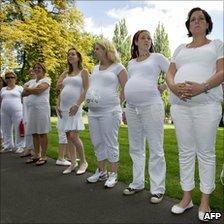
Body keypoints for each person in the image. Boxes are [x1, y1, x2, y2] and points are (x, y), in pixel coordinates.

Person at [166, 7, 223, 221]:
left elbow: (222, 71)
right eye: (192, 19)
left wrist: (203, 86)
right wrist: (173, 87)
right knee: (185, 152)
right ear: (189, 25)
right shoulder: (180, 48)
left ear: (207, 24)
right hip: (180, 106)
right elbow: (170, 73)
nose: (196, 22)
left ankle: (206, 203)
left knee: (206, 153)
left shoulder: (216, 45)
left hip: (206, 105)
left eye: (201, 19)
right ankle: (187, 198)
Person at [122, 30, 169, 203]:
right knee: (136, 147)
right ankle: (137, 182)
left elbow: (174, 72)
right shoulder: (131, 63)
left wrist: (164, 86)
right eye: (143, 37)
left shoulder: (157, 57)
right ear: (135, 42)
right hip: (132, 108)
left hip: (151, 106)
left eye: (149, 38)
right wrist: (125, 107)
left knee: (156, 148)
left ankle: (157, 189)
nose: (147, 40)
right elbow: (130, 85)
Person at [86, 39, 127, 188]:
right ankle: (101, 171)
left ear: (106, 50)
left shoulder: (118, 67)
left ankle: (113, 173)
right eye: (95, 48)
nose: (95, 51)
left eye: (98, 48)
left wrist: (120, 104)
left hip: (110, 111)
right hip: (93, 111)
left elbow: (125, 88)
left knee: (110, 141)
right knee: (97, 142)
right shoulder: (95, 68)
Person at [57, 48, 89, 175]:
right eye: (68, 54)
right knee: (67, 136)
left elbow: (86, 90)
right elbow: (60, 89)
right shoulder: (66, 73)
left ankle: (83, 162)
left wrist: (77, 104)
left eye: (73, 54)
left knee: (73, 136)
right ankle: (73, 163)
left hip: (74, 107)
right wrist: (58, 104)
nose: (70, 56)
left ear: (78, 57)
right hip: (63, 108)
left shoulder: (84, 72)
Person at [22, 63, 51, 166]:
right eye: (35, 68)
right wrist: (31, 90)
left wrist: (28, 89)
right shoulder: (32, 81)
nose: (37, 69)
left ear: (43, 70)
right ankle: (36, 154)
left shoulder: (46, 80)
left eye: (39, 68)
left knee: (42, 132)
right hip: (32, 110)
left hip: (42, 109)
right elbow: (23, 93)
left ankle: (43, 156)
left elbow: (39, 90)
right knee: (34, 132)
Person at [0, 71, 25, 153]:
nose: (10, 79)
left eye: (12, 77)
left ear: (15, 79)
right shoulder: (3, 89)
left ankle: (20, 146)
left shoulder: (20, 88)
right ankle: (8, 146)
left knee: (19, 128)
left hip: (17, 111)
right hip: (4, 112)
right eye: (7, 78)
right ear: (5, 80)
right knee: (5, 129)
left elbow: (24, 100)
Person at [20, 69, 37, 158]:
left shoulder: (38, 82)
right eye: (30, 72)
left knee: (34, 129)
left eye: (33, 71)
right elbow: (23, 94)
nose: (31, 73)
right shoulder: (27, 83)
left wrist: (27, 89)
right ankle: (28, 148)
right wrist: (27, 89)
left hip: (33, 107)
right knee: (27, 128)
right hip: (26, 107)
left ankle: (35, 149)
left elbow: (33, 91)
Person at [0, 76, 7, 151]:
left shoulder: (5, 90)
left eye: (0, 81)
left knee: (3, 128)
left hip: (4, 111)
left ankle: (3, 144)